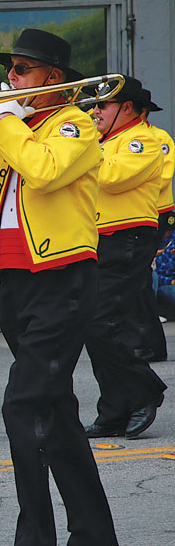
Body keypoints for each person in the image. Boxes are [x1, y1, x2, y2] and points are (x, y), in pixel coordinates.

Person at [0, 29, 118, 544]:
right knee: (55, 417)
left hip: (62, 279)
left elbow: (46, 171)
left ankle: (34, 536)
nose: (8, 79)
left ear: (52, 78)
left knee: (23, 406)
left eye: (19, 70)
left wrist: (6, 124)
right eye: (8, 71)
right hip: (16, 284)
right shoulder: (15, 131)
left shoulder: (75, 125)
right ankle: (95, 534)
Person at [83, 76, 167, 439]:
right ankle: (115, 409)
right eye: (95, 105)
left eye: (103, 105)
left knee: (103, 322)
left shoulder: (145, 140)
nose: (95, 111)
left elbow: (113, 177)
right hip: (97, 238)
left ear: (128, 108)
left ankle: (143, 389)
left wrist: (79, 146)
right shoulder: (104, 141)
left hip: (127, 237)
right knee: (92, 325)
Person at [124, 89, 174, 362]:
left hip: (154, 213)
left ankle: (148, 342)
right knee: (138, 279)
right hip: (137, 213)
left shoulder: (157, 139)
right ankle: (143, 340)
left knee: (141, 279)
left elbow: (163, 178)